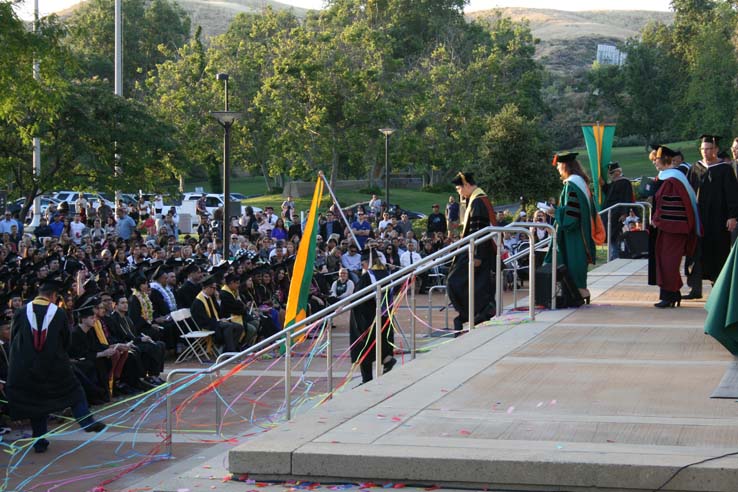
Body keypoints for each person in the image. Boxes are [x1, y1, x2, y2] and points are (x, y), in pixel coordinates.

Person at [5, 278, 105, 454]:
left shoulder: (21, 312)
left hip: (26, 365)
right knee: (74, 391)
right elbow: (66, 340)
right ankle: (86, 421)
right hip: (54, 364)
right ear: (52, 296)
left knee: (37, 402)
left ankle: (40, 441)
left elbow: (14, 338)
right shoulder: (58, 313)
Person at [648, 146, 701, 308]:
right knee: (666, 261)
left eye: (656, 159)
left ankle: (670, 295)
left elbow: (670, 207)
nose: (654, 163)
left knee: (669, 261)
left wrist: (656, 220)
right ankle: (671, 294)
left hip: (673, 228)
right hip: (668, 228)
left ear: (664, 160)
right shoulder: (671, 178)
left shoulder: (672, 181)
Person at [688, 135, 738, 297]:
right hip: (699, 218)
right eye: (703, 149)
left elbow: (732, 195)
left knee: (719, 251)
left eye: (709, 149)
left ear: (716, 150)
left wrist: (732, 216)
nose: (706, 152)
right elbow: (688, 193)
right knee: (696, 252)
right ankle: (695, 289)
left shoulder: (724, 169)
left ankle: (718, 288)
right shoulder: (695, 168)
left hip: (718, 219)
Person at [447, 172, 497, 331]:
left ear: (466, 184)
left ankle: (475, 312)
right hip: (477, 251)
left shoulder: (478, 202)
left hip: (478, 253)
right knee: (474, 285)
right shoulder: (477, 199)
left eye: (458, 188)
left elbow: (479, 231)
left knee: (455, 281)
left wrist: (477, 256)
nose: (458, 192)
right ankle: (470, 314)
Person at [545, 152, 597, 303]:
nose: (558, 170)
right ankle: (580, 292)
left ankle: (578, 293)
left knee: (573, 261)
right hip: (581, 231)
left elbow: (571, 216)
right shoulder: (581, 183)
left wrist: (555, 212)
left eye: (559, 166)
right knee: (577, 262)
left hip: (573, 233)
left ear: (565, 166)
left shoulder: (571, 185)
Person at [349, 251, 395, 384]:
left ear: (368, 262)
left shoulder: (367, 277)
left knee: (365, 347)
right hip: (384, 317)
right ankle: (387, 359)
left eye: (363, 263)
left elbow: (356, 297)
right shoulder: (387, 274)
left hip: (365, 319)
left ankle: (367, 379)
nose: (361, 266)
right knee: (381, 341)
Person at [190, 274, 244, 353]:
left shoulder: (211, 297)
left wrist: (222, 318)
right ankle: (230, 351)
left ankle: (230, 348)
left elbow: (218, 312)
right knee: (228, 326)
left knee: (239, 327)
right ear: (205, 287)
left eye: (215, 288)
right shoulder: (198, 302)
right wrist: (218, 321)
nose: (215, 290)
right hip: (207, 325)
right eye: (213, 288)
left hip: (216, 321)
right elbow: (202, 320)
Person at [600, 161, 634, 260]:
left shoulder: (624, 182)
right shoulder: (615, 182)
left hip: (617, 214)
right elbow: (609, 194)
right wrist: (603, 185)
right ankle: (614, 257)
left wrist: (624, 213)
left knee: (615, 236)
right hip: (610, 214)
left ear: (618, 172)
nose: (610, 175)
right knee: (611, 236)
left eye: (611, 173)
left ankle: (614, 258)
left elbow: (626, 198)